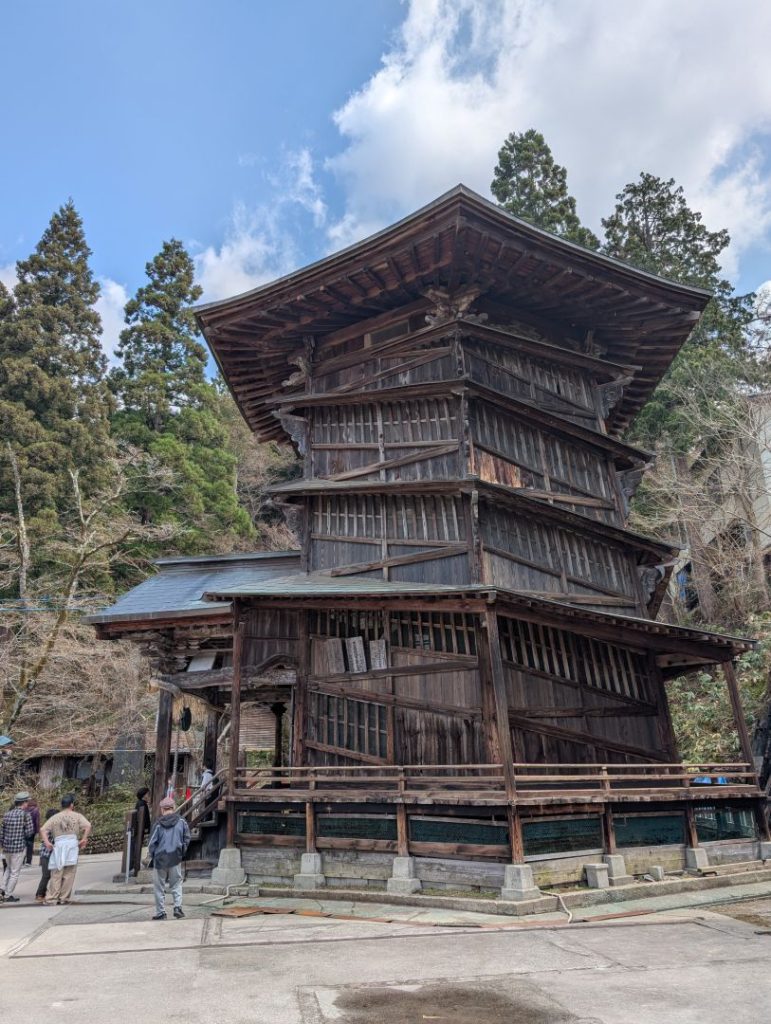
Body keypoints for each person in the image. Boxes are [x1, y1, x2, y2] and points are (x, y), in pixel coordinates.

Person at [39, 795, 91, 905]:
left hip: (59, 844)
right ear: (71, 805)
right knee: (69, 873)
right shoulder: (77, 816)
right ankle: (64, 898)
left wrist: (47, 842)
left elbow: (43, 829)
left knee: (56, 873)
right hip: (72, 844)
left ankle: (52, 897)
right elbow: (88, 825)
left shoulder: (55, 817)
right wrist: (84, 839)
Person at [147, 796, 190, 921]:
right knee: (176, 883)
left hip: (160, 858)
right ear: (174, 807)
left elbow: (151, 844)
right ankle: (177, 908)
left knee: (159, 887)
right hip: (175, 857)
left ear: (162, 809)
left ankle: (161, 912)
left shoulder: (158, 824)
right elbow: (187, 838)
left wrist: (153, 855)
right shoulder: (182, 822)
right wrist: (181, 851)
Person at [0, 792, 34, 902]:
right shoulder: (26, 815)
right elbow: (30, 832)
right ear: (24, 803)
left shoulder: (7, 814)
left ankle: (2, 889)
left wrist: (3, 843)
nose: (28, 804)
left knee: (8, 869)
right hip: (19, 848)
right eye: (27, 802)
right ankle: (7, 895)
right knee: (14, 872)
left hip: (7, 848)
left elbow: (1, 832)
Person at [35, 808, 57, 904]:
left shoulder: (48, 826)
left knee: (48, 875)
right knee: (46, 875)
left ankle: (43, 893)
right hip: (46, 854)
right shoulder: (50, 828)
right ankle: (39, 894)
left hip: (46, 854)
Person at [25, 798, 40, 865]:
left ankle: (22, 859)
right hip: (32, 830)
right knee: (30, 845)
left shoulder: (24, 809)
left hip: (24, 829)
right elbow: (37, 822)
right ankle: (28, 861)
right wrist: (37, 831)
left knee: (24, 844)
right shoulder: (36, 810)